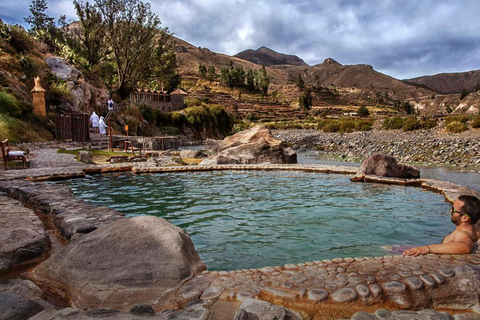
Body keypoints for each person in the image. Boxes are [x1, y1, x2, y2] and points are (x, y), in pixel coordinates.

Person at [403, 195, 480, 256]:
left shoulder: (460, 234)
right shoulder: (476, 227)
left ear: (464, 218)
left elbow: (465, 247)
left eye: (454, 210)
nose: (450, 211)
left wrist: (427, 248)